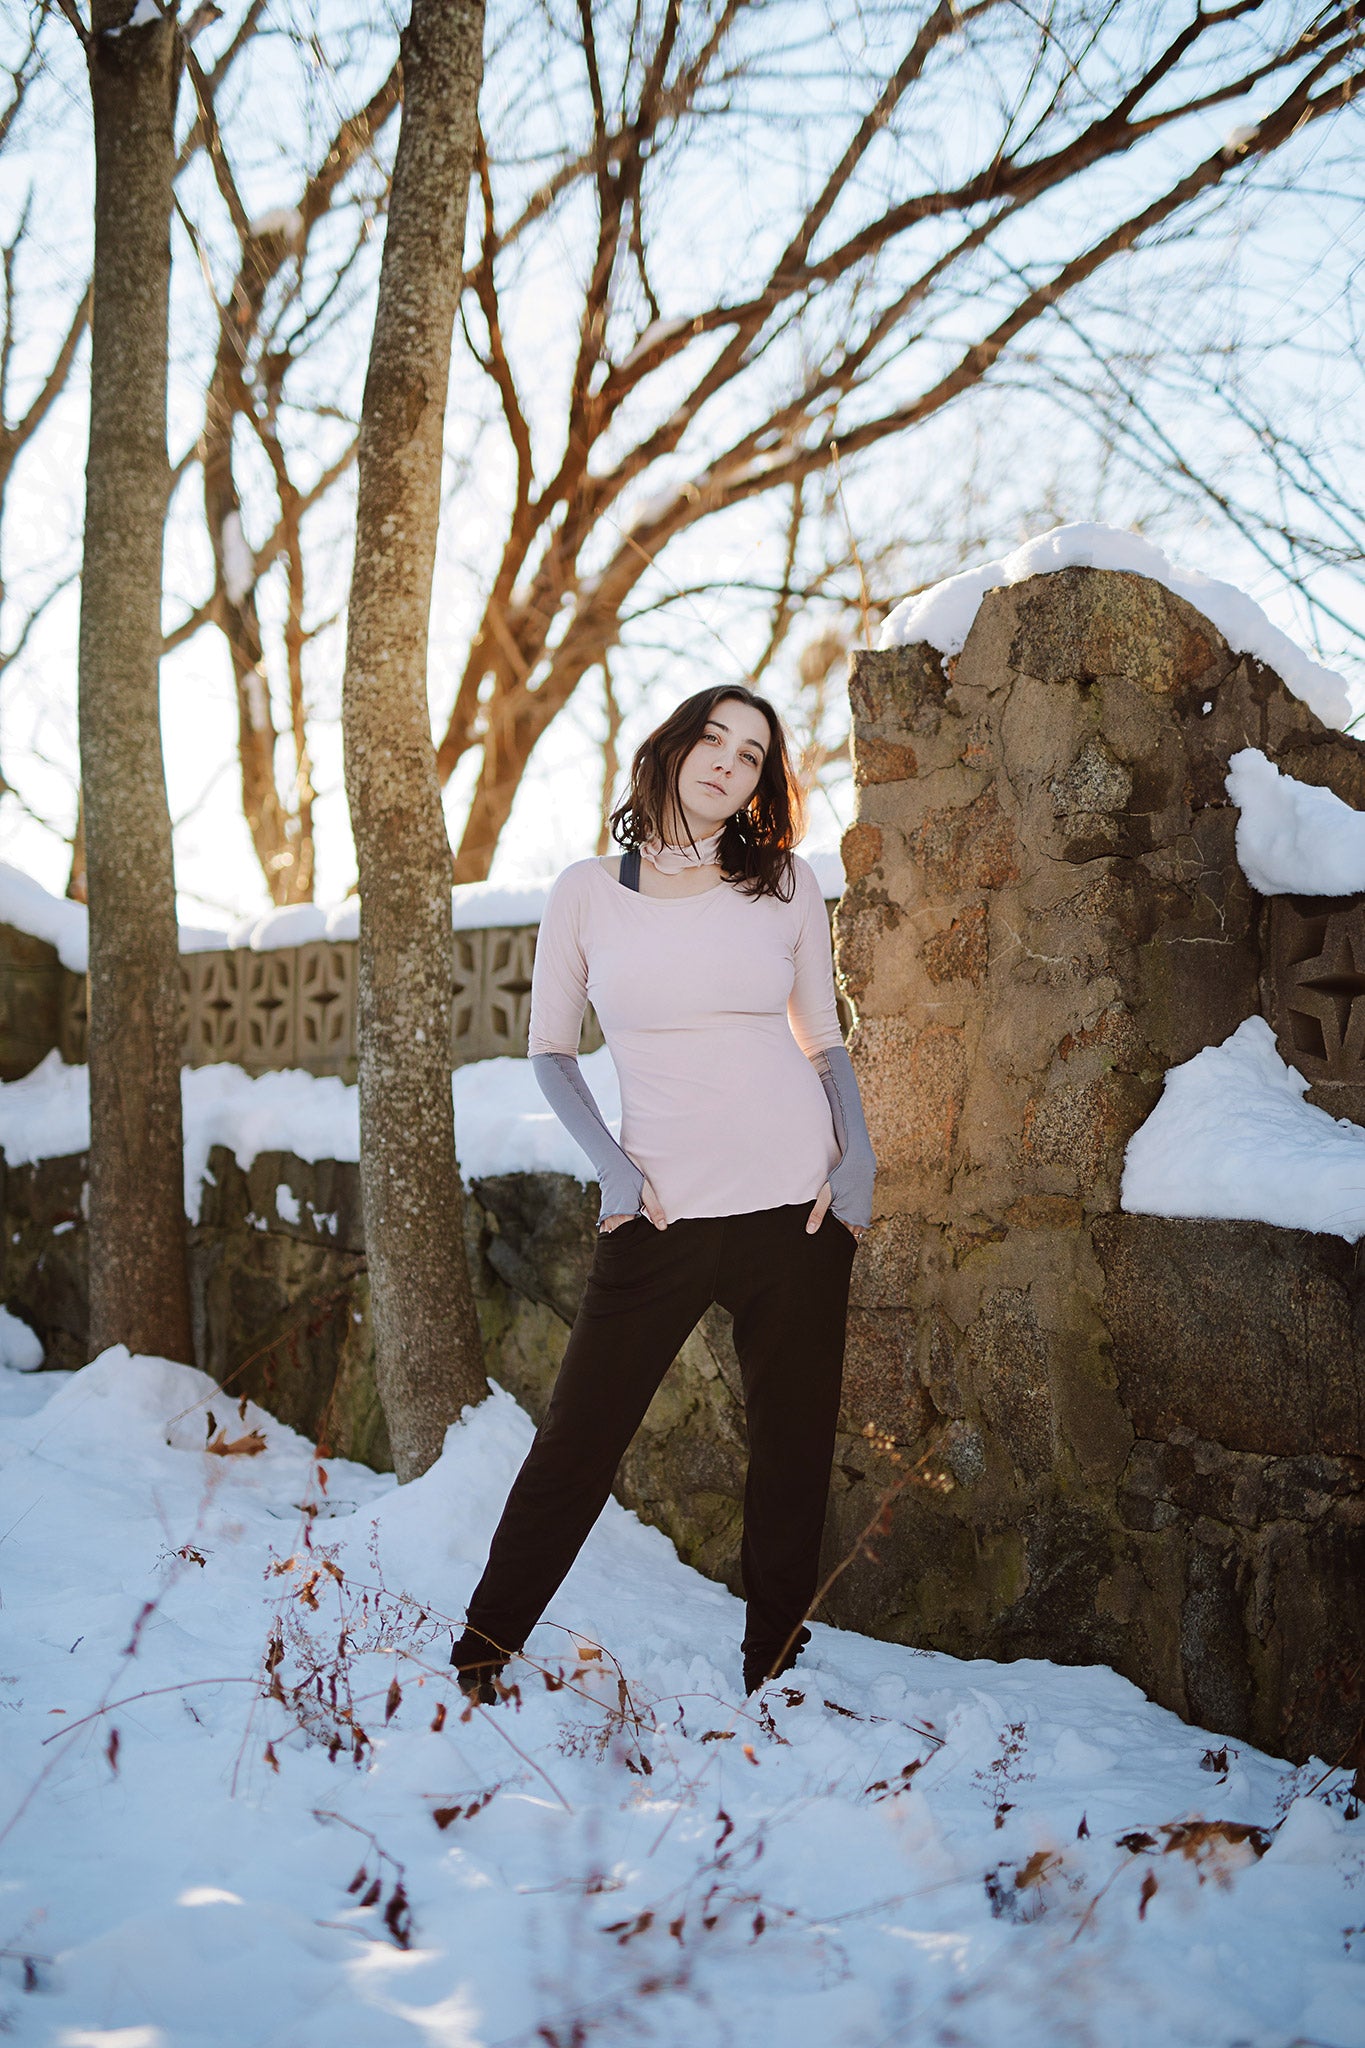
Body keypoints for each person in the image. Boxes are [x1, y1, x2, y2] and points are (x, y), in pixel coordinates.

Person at [449, 683, 877, 1701]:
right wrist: (613, 1165)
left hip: (797, 1209)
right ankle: (479, 1653)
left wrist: (855, 1158)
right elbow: (551, 1051)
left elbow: (823, 1035)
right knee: (575, 1447)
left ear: (761, 783)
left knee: (792, 1450)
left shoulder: (784, 883)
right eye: (715, 738)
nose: (730, 760)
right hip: (661, 1213)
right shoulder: (589, 890)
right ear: (675, 747)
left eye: (753, 753)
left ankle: (772, 1665)